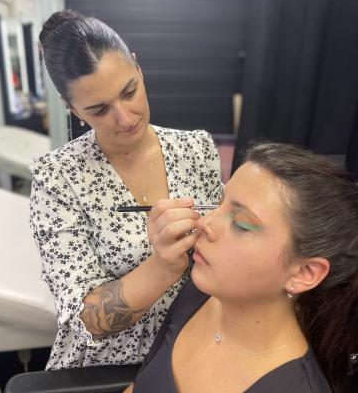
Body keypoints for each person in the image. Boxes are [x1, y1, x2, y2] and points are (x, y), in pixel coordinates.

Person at [30, 9, 223, 369]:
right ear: (71, 108)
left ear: (137, 67)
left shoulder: (196, 149)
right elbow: (87, 321)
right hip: (108, 367)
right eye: (99, 109)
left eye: (129, 92)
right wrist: (164, 264)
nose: (126, 117)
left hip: (197, 346)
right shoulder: (57, 179)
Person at [127, 141, 358, 393]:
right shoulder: (202, 293)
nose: (205, 222)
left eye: (241, 223)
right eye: (219, 202)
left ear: (304, 273)